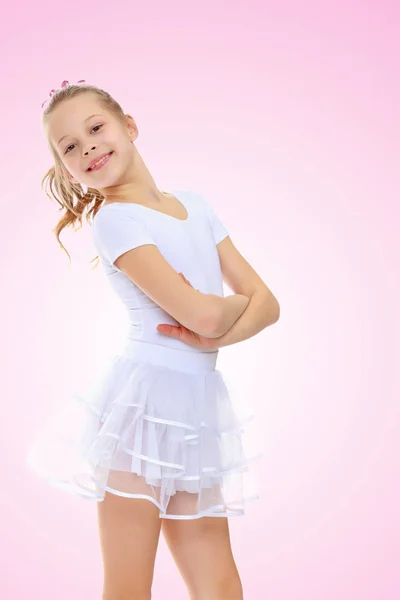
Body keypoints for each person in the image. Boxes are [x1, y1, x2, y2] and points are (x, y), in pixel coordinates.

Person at [27, 80, 280, 600]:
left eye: (95, 129)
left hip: (196, 410)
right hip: (139, 410)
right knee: (128, 586)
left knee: (220, 584)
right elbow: (209, 316)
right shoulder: (116, 222)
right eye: (69, 147)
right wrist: (229, 314)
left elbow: (270, 305)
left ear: (129, 126)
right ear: (66, 170)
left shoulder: (195, 205)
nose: (88, 147)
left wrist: (216, 327)